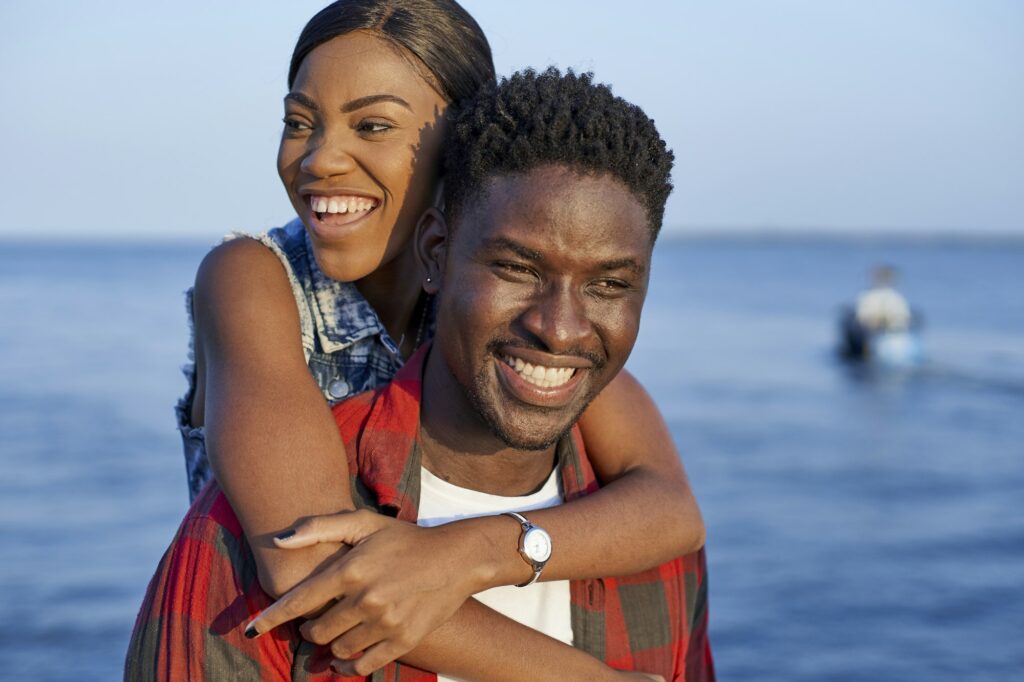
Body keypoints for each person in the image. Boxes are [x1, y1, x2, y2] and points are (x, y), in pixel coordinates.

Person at [127, 67, 713, 682]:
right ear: (439, 250)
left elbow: (675, 510)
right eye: (516, 268)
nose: (561, 329)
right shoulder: (252, 280)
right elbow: (318, 574)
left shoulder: (648, 552)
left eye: (611, 283)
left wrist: (474, 551)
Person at [854, 265, 911, 332]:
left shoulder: (897, 298)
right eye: (881, 276)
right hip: (870, 333)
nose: (883, 278)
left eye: (886, 276)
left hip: (893, 334)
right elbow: (862, 318)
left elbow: (904, 318)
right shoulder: (867, 297)